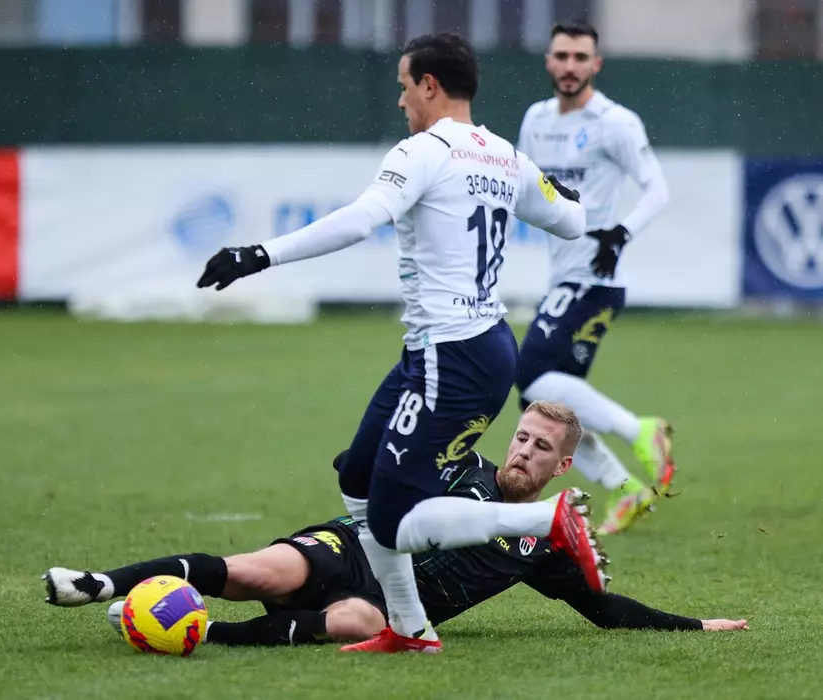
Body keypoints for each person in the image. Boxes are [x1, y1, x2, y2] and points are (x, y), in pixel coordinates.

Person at [194, 31, 601, 654]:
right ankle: (409, 630)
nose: (401, 100)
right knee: (357, 477)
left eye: (404, 86)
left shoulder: (422, 151)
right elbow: (572, 220)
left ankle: (543, 518)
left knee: (391, 516)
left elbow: (361, 220)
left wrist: (259, 254)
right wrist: (562, 194)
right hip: (469, 347)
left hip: (453, 354)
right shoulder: (505, 156)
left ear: (429, 85)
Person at [43, 402, 747, 646]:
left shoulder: (539, 543)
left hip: (382, 603)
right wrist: (370, 462)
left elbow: (604, 609)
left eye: (541, 448)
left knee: (358, 622)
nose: (524, 451)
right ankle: (101, 583)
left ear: (562, 467)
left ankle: (199, 630)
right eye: (522, 437)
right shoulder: (458, 464)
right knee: (260, 572)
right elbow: (363, 465)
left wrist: (696, 625)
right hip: (349, 549)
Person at [514, 21, 674, 536]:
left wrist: (620, 233)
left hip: (596, 279)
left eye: (580, 57)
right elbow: (524, 189)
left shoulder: (615, 122)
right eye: (562, 56)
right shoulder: (536, 119)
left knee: (529, 375)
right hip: (562, 277)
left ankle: (641, 430)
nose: (570, 66)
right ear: (548, 60)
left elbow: (657, 189)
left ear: (596, 64)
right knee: (544, 405)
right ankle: (625, 488)